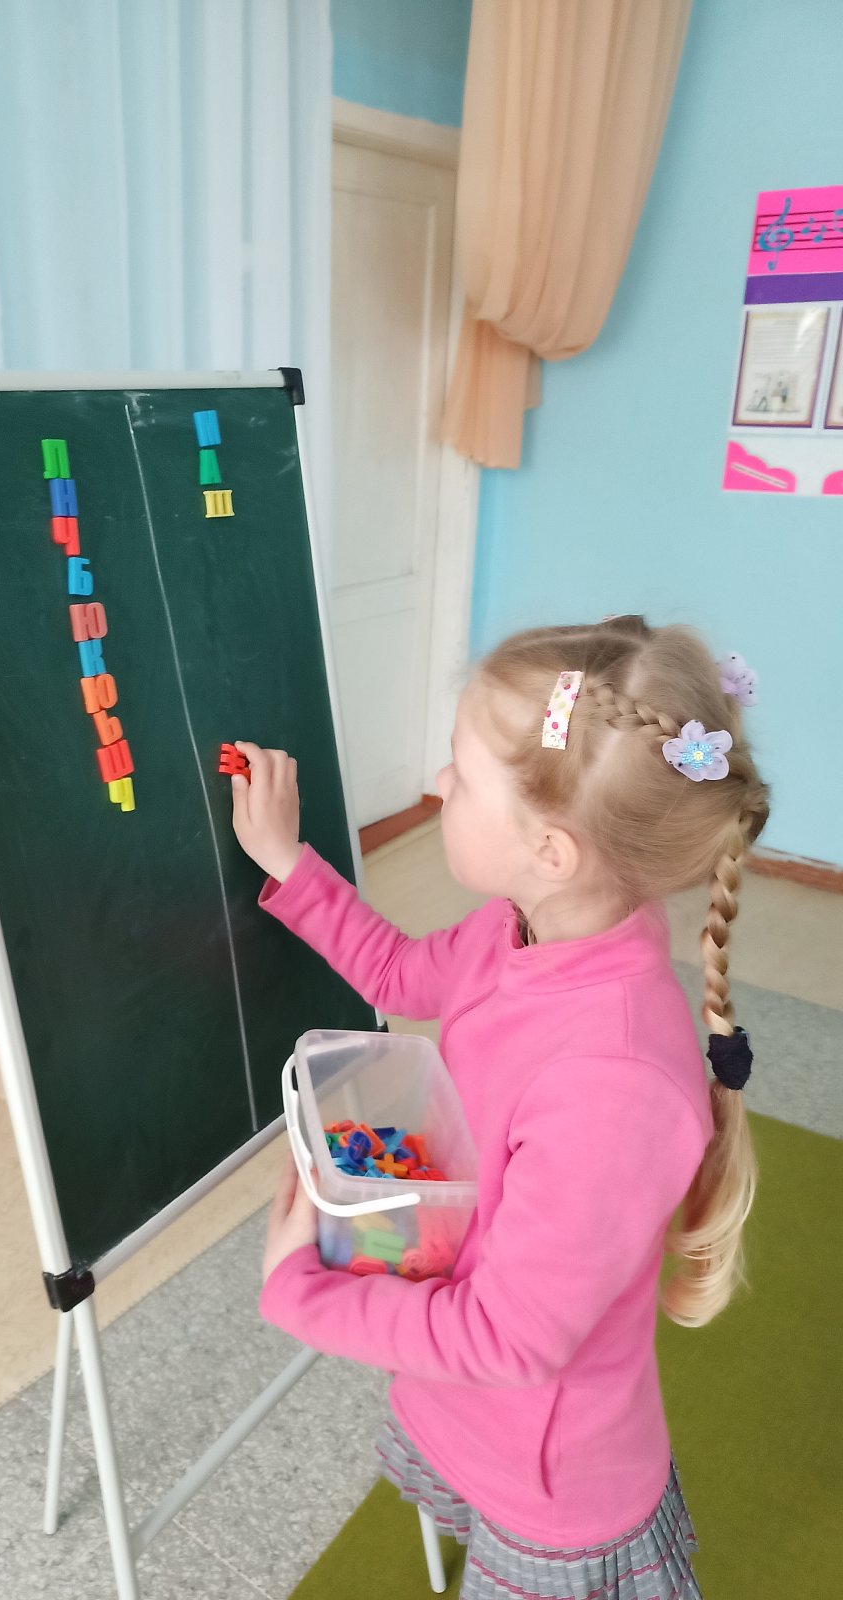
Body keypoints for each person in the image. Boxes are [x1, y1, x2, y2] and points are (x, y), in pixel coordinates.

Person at [230, 616, 768, 1600]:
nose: (439, 784)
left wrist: (297, 1291)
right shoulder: (521, 926)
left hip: (550, 1484)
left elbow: (509, 1339)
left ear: (551, 850)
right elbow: (399, 971)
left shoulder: (615, 1083)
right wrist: (289, 864)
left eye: (463, 776)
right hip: (475, 1411)